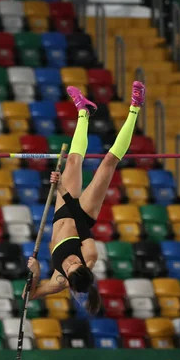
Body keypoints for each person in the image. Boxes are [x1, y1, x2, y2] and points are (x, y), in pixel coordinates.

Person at [26, 81, 145, 314]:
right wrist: (60, 189)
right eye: (75, 263)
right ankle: (135, 107)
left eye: (69, 266)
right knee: (108, 163)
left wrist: (37, 272)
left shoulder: (58, 281)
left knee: (72, 160)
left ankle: (83, 111)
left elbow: (26, 296)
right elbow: (79, 220)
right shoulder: (89, 255)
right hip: (83, 215)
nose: (71, 262)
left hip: (61, 213)